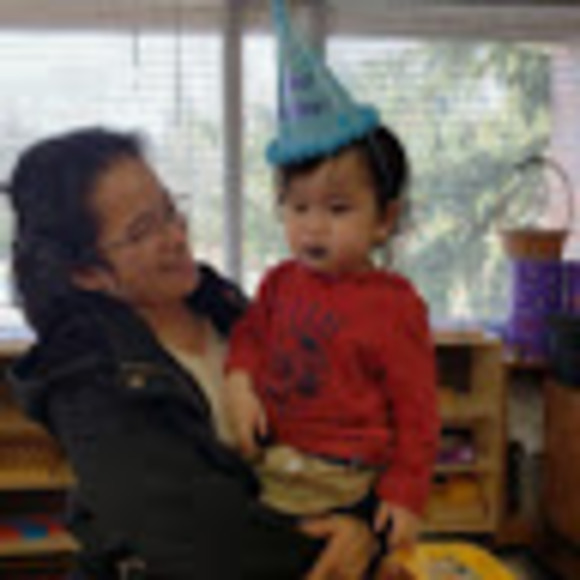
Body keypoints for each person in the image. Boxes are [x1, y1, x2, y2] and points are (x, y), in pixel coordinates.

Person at [4, 126, 381, 580]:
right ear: (86, 273)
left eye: (169, 210)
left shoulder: (224, 305)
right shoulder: (83, 380)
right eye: (142, 231)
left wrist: (362, 524)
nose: (176, 236)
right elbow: (199, 541)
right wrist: (337, 545)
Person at [225, 123, 440, 555]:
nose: (313, 228)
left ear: (384, 219)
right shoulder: (279, 282)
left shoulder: (395, 306)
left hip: (348, 480)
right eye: (298, 207)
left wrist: (405, 492)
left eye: (338, 209)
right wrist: (239, 381)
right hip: (275, 467)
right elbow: (249, 335)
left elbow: (417, 412)